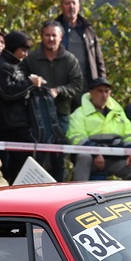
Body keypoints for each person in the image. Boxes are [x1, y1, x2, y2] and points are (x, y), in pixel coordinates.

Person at [25, 20, 84, 180]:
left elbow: (77, 84)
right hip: (36, 117)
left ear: (61, 37)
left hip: (61, 115)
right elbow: (20, 79)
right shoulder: (31, 58)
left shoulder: (70, 59)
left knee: (58, 160)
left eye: (54, 35)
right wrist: (31, 82)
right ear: (41, 36)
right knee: (36, 159)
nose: (50, 38)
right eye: (47, 35)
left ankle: (59, 193)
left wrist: (59, 91)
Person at [66, 76, 131, 181]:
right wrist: (96, 153)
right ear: (91, 93)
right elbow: (76, 138)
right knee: (84, 157)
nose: (104, 95)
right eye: (100, 91)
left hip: (115, 159)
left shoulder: (118, 112)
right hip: (92, 159)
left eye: (107, 91)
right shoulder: (79, 113)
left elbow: (129, 134)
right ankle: (79, 194)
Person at [0, 31, 36, 183]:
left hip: (20, 122)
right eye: (23, 50)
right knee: (12, 165)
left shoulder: (15, 66)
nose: (25, 54)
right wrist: (30, 84)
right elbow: (7, 92)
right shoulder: (2, 66)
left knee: (24, 162)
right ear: (14, 47)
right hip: (9, 124)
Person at [53, 0, 107, 85]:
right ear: (61, 6)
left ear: (79, 6)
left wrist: (102, 83)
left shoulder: (88, 30)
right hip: (63, 85)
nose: (71, 6)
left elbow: (99, 60)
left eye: (74, 3)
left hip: (88, 85)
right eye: (67, 3)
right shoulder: (53, 30)